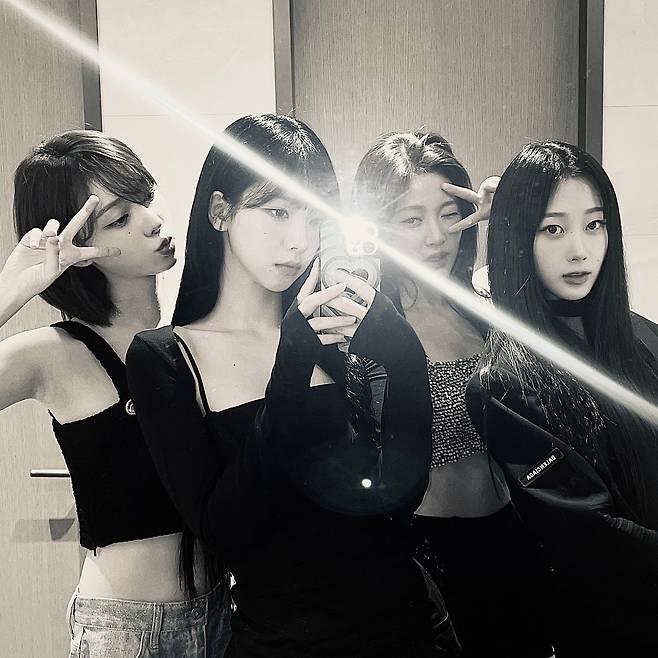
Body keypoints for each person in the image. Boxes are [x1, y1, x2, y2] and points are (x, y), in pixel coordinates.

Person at [126, 114, 447, 657]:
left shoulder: (332, 331)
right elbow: (226, 530)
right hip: (284, 641)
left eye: (313, 218)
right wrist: (292, 359)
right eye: (276, 212)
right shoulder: (165, 357)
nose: (299, 241)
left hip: (406, 630)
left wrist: (402, 353)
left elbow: (398, 494)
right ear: (220, 211)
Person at [0, 131, 231, 657]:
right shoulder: (53, 353)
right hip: (127, 630)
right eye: (120, 218)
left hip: (224, 613)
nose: (152, 221)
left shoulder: (192, 336)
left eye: (144, 197)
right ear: (80, 249)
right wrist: (10, 292)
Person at [352, 131, 552, 657]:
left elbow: (566, 290)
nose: (437, 237)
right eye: (411, 219)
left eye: (449, 214)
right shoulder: (364, 324)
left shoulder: (488, 303)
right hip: (426, 555)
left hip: (512, 537)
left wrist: (511, 215)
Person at [467, 140, 658, 656]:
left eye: (594, 225)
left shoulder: (643, 337)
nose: (579, 250)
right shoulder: (504, 384)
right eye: (553, 229)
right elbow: (590, 537)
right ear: (517, 238)